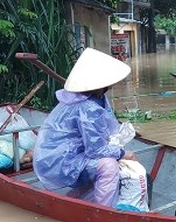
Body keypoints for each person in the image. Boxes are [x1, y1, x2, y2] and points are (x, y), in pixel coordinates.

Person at [33, 48, 139, 207]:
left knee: (110, 160)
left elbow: (109, 125)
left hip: (73, 153)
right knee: (109, 166)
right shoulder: (87, 106)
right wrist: (124, 153)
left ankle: (76, 200)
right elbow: (95, 150)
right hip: (60, 161)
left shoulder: (97, 97)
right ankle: (104, 213)